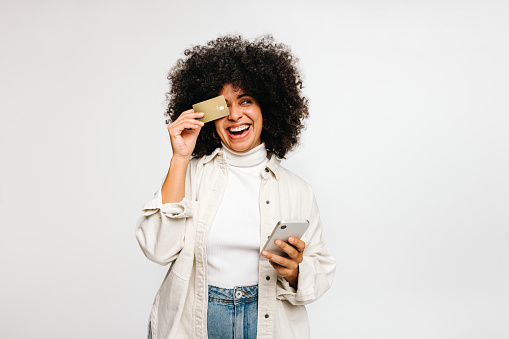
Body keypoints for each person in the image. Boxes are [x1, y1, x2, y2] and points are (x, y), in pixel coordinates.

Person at [136, 35, 335, 339]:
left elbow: (320, 271)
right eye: (222, 106)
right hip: (195, 320)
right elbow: (157, 250)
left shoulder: (298, 190)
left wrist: (295, 271)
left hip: (266, 320)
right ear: (210, 117)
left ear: (266, 108)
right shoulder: (190, 173)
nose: (234, 115)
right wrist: (180, 156)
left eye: (245, 101)